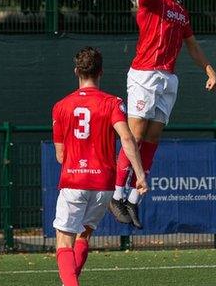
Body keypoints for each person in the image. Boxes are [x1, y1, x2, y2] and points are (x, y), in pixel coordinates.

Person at [108, 0, 216, 229]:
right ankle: (116, 194)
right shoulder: (151, 1)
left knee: (153, 137)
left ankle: (133, 199)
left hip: (168, 79)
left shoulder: (181, 12)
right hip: (145, 74)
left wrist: (209, 69)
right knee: (135, 135)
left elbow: (193, 46)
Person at [51, 47, 149, 286]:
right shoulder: (113, 103)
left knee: (64, 242)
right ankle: (70, 281)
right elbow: (127, 139)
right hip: (103, 185)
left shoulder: (61, 106)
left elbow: (60, 155)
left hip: (74, 180)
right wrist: (139, 175)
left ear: (76, 72)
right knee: (84, 234)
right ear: (101, 72)